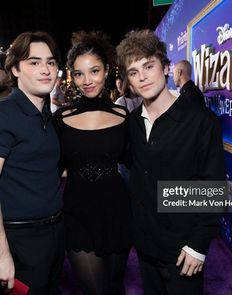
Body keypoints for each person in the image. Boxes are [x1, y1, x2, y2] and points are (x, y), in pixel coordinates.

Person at [116, 29, 225, 295]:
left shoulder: (201, 121)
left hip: (183, 249)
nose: (142, 77)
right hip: (145, 246)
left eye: (148, 66)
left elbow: (214, 186)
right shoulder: (131, 124)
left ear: (165, 68)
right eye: (133, 72)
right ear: (128, 81)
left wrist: (198, 246)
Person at [53, 31, 131, 295]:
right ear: (71, 76)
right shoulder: (61, 118)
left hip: (117, 211)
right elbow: (51, 167)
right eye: (79, 73)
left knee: (115, 286)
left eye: (94, 71)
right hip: (77, 215)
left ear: (107, 70)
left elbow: (138, 162)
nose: (87, 81)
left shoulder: (123, 114)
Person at [0, 31, 65, 295]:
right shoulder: (5, 113)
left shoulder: (47, 115)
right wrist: (2, 254)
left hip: (55, 232)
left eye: (50, 62)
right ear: (15, 68)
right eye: (34, 62)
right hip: (20, 239)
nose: (45, 70)